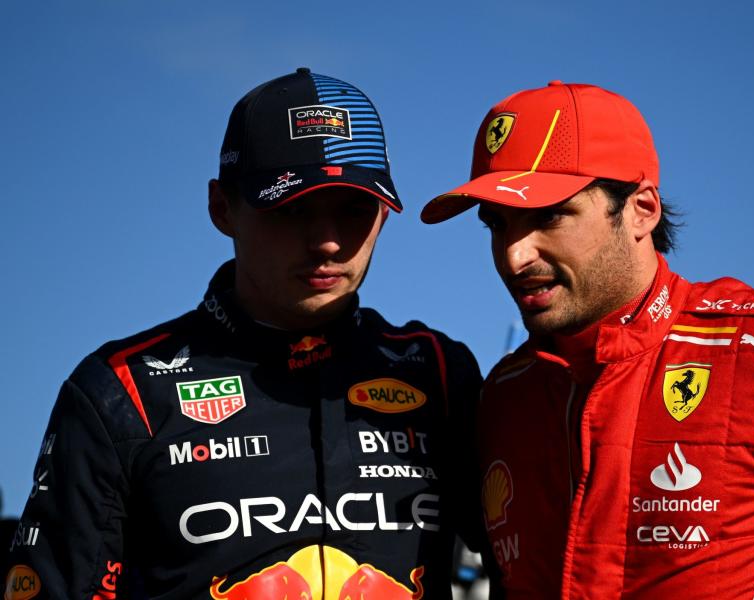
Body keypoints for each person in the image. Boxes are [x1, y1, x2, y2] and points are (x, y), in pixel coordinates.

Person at [420, 81, 754, 599]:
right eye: (497, 225)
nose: (515, 256)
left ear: (641, 210)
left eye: (549, 217)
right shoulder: (504, 396)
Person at [5, 68, 483, 599]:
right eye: (293, 207)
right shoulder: (121, 391)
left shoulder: (439, 372)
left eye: (354, 209)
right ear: (221, 208)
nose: (327, 242)